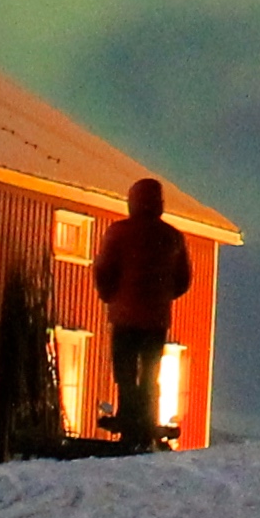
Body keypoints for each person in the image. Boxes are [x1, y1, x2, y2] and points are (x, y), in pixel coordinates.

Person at [90, 176, 193, 452]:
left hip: (124, 317)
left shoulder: (119, 232)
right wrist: (161, 297)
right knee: (151, 372)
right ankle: (147, 419)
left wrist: (110, 295)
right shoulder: (172, 236)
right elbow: (183, 280)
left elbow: (103, 269)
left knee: (124, 371)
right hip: (156, 319)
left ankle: (128, 418)